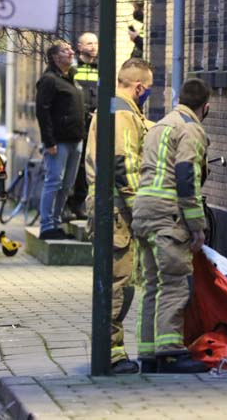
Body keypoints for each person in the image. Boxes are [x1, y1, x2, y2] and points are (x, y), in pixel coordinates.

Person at [131, 78, 211, 374]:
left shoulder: (159, 125)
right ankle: (170, 351)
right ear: (206, 107)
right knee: (176, 283)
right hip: (169, 215)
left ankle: (149, 352)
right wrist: (197, 224)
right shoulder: (191, 128)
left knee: (152, 284)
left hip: (144, 212)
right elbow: (186, 176)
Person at [85, 57, 153, 374]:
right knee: (118, 282)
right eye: (148, 89)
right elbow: (125, 164)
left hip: (110, 208)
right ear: (138, 87)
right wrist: (142, 208)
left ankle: (110, 348)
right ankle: (110, 353)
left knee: (119, 280)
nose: (147, 94)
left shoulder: (119, 109)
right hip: (117, 211)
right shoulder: (122, 113)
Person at [35, 40, 85, 240]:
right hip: (58, 142)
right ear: (55, 57)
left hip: (75, 140)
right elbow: (42, 111)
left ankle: (56, 223)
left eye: (70, 49)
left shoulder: (71, 78)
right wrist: (49, 142)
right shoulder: (49, 80)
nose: (71, 52)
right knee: (53, 182)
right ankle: (47, 226)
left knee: (66, 185)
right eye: (66, 50)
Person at [65, 32, 100, 221]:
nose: (93, 46)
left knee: (88, 163)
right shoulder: (73, 68)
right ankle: (68, 204)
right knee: (74, 164)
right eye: (89, 43)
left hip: (94, 122)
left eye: (95, 43)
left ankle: (81, 203)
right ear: (79, 47)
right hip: (76, 122)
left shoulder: (102, 68)